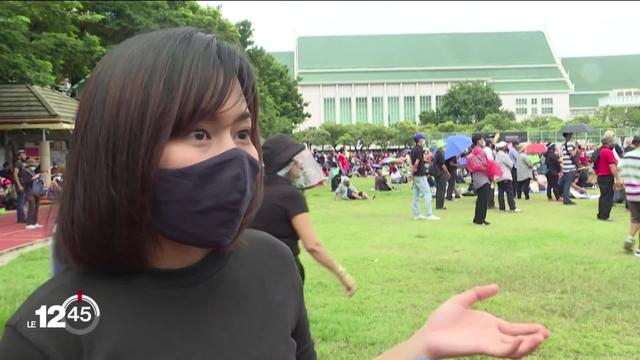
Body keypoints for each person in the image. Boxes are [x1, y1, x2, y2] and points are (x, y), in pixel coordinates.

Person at [0, 28, 550, 360]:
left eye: (243, 133)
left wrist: (420, 346)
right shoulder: (49, 330)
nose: (236, 156)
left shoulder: (268, 264)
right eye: (198, 133)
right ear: (122, 146)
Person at [251, 134, 356, 295]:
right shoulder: (291, 195)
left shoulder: (253, 191)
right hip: (283, 272)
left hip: (252, 273)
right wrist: (341, 274)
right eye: (295, 160)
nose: (300, 164)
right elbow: (313, 245)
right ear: (286, 164)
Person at [411, 133, 439, 220]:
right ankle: (429, 214)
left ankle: (416, 214)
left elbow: (417, 159)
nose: (423, 140)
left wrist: (426, 161)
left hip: (416, 175)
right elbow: (417, 160)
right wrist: (415, 168)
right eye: (422, 138)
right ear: (419, 140)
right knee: (427, 194)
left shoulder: (414, 149)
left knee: (415, 195)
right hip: (420, 174)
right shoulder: (420, 149)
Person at [595, 135, 621, 221]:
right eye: (612, 141)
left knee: (603, 196)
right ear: (609, 142)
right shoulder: (608, 152)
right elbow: (612, 166)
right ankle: (605, 215)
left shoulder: (600, 151)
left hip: (600, 176)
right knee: (608, 197)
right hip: (606, 176)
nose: (613, 143)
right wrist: (617, 178)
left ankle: (601, 214)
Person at [621, 136, 640, 256]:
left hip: (630, 192)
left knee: (635, 218)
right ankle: (639, 250)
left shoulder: (627, 156)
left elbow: (620, 170)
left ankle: (629, 238)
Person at [468, 135, 491, 226]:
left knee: (481, 199)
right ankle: (480, 219)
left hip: (479, 177)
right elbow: (484, 163)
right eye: (482, 139)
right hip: (482, 177)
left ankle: (479, 218)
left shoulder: (473, 153)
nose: (483, 141)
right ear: (478, 141)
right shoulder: (479, 152)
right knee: (483, 199)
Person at [495, 142, 520, 213]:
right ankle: (512, 207)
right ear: (503, 147)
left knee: (501, 193)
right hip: (505, 176)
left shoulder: (497, 155)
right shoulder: (503, 155)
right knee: (509, 192)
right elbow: (511, 164)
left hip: (499, 176)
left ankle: (502, 208)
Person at [22, 158, 44, 230]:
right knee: (32, 205)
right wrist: (34, 178)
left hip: (35, 190)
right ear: (29, 165)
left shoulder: (33, 171)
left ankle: (34, 222)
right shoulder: (25, 171)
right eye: (33, 165)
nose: (34, 166)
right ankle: (29, 223)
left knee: (37, 205)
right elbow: (26, 181)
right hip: (28, 190)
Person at [559, 132, 578, 205]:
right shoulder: (569, 144)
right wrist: (576, 147)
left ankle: (565, 198)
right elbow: (572, 154)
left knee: (566, 183)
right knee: (568, 184)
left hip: (566, 167)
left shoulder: (563, 145)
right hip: (570, 167)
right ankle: (566, 200)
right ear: (568, 135)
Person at [432, 141, 450, 210]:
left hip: (437, 173)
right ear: (441, 147)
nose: (445, 148)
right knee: (442, 190)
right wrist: (448, 172)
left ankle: (439, 205)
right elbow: (443, 165)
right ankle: (440, 206)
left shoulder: (436, 154)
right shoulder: (440, 155)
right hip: (440, 173)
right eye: (444, 146)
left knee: (439, 189)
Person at [12, 149, 28, 223]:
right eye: (23, 154)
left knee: (22, 201)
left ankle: (21, 217)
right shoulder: (18, 163)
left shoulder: (22, 163)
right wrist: (19, 185)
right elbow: (15, 174)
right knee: (21, 201)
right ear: (19, 156)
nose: (25, 156)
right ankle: (21, 218)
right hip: (20, 184)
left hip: (23, 183)